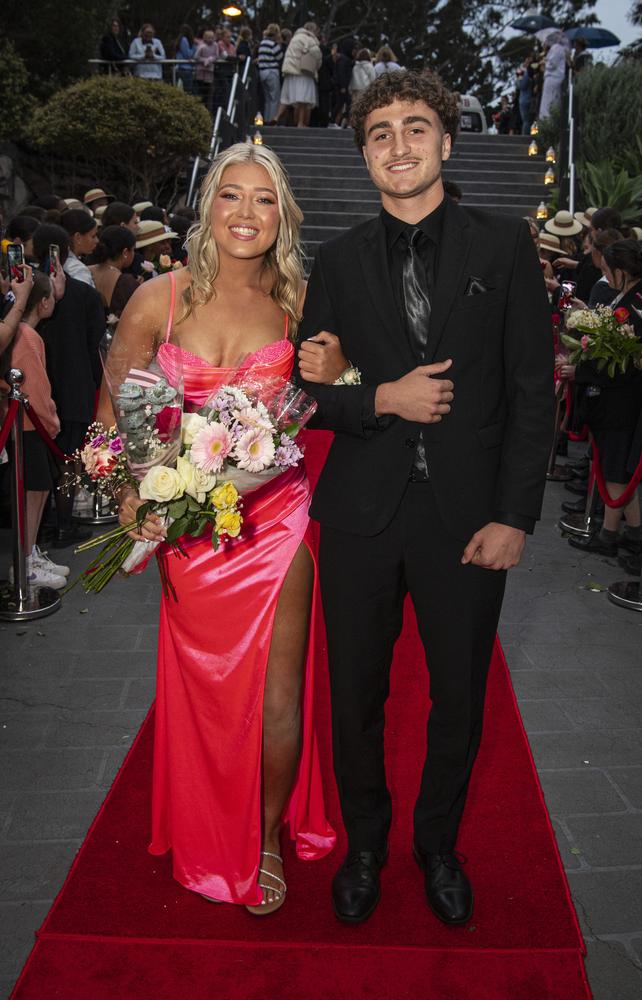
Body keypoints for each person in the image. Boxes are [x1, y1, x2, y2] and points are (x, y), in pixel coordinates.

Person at [295, 69, 554, 926]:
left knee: (459, 695)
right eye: (379, 133)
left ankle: (437, 844)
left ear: (446, 140)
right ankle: (366, 844)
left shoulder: (503, 245)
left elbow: (530, 391)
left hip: (471, 519)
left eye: (414, 128)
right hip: (362, 514)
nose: (398, 146)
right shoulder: (333, 262)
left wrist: (515, 516)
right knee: (356, 695)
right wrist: (380, 398)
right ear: (363, 154)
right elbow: (306, 393)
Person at [97, 143, 347, 913]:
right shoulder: (157, 300)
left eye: (264, 199)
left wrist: (341, 374)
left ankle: (266, 834)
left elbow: (340, 399)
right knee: (208, 689)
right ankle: (208, 819)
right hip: (187, 530)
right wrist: (129, 501)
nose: (246, 213)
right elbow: (110, 421)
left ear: (284, 214)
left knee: (276, 693)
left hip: (278, 522)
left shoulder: (305, 299)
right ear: (207, 206)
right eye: (231, 195)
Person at [568, 240, 642, 558]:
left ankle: (610, 533)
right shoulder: (632, 296)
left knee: (616, 468)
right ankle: (631, 531)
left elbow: (627, 356)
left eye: (606, 271)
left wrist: (583, 370)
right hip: (617, 395)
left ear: (619, 272)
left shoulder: (638, 303)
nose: (603, 276)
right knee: (614, 464)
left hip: (623, 397)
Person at [33, 224, 105, 548]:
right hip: (74, 385)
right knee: (70, 458)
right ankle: (63, 524)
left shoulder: (27, 293)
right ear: (66, 252)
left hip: (37, 387)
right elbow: (95, 346)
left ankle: (45, 525)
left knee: (45, 461)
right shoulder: (86, 295)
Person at [2, 272, 70, 588]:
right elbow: (37, 390)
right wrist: (51, 421)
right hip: (29, 425)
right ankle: (25, 562)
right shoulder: (28, 336)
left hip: (25, 424)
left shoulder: (21, 332)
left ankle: (29, 554)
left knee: (36, 491)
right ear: (42, 302)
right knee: (32, 493)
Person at [277, 22, 322, 129]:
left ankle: (276, 118)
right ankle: (300, 123)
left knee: (285, 98)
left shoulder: (295, 38)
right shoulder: (309, 39)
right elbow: (317, 54)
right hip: (303, 72)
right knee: (303, 100)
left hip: (290, 71)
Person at [89, 226, 139, 321]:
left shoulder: (85, 270)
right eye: (133, 250)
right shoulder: (125, 282)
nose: (134, 254)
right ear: (125, 252)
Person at [60, 209, 98, 286]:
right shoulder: (78, 270)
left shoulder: (55, 261)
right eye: (93, 236)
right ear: (78, 237)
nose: (97, 240)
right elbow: (85, 297)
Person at [257, 23, 283, 124]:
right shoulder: (274, 44)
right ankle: (272, 120)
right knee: (274, 98)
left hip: (262, 72)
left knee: (267, 98)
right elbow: (280, 57)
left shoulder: (262, 43)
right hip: (272, 72)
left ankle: (266, 119)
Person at [539, 36, 567, 120]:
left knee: (550, 102)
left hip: (553, 79)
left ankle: (548, 121)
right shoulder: (555, 49)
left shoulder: (557, 48)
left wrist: (545, 63)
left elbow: (552, 64)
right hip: (552, 79)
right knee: (548, 103)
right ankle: (546, 120)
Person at [194, 28, 219, 110]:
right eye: (209, 37)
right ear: (205, 38)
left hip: (210, 72)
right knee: (201, 92)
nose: (211, 39)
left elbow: (216, 56)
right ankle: (201, 109)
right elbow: (196, 57)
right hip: (201, 71)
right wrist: (204, 60)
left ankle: (208, 110)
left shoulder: (215, 45)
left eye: (212, 37)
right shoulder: (201, 46)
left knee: (209, 92)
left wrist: (210, 59)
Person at [175, 24, 197, 93]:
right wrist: (194, 46)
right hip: (185, 68)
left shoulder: (180, 40)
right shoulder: (184, 40)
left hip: (184, 68)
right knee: (188, 90)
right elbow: (187, 54)